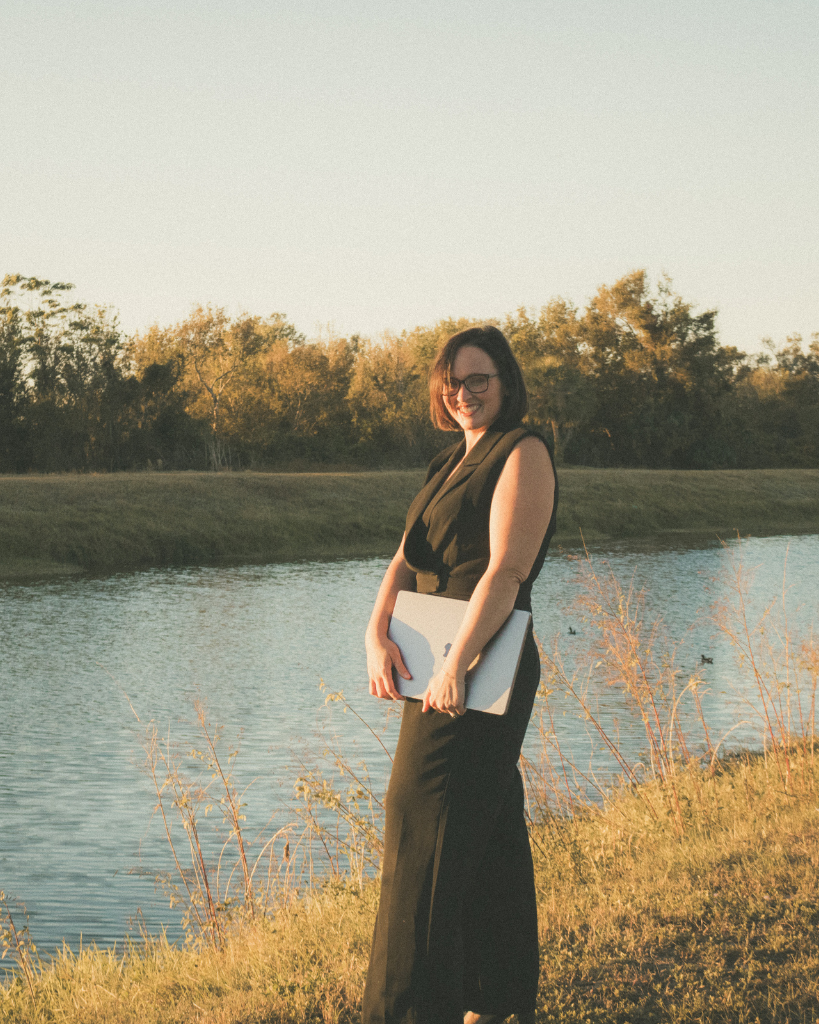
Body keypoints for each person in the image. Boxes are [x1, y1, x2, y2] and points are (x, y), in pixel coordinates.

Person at [362, 325, 558, 1024]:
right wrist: (374, 631)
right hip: (435, 659)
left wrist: (457, 662)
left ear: (504, 382)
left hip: (479, 661)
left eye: (479, 379)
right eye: (453, 381)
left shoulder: (521, 451)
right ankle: (497, 998)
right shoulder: (446, 462)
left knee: (418, 821)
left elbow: (505, 570)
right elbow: (402, 557)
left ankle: (410, 1010)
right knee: (486, 825)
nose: (464, 392)